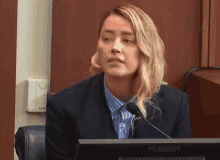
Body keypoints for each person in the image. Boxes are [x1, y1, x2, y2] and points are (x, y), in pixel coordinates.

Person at [46, 3, 192, 159]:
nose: (115, 47)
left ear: (146, 49)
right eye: (107, 38)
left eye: (128, 40)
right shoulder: (64, 106)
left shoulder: (175, 105)